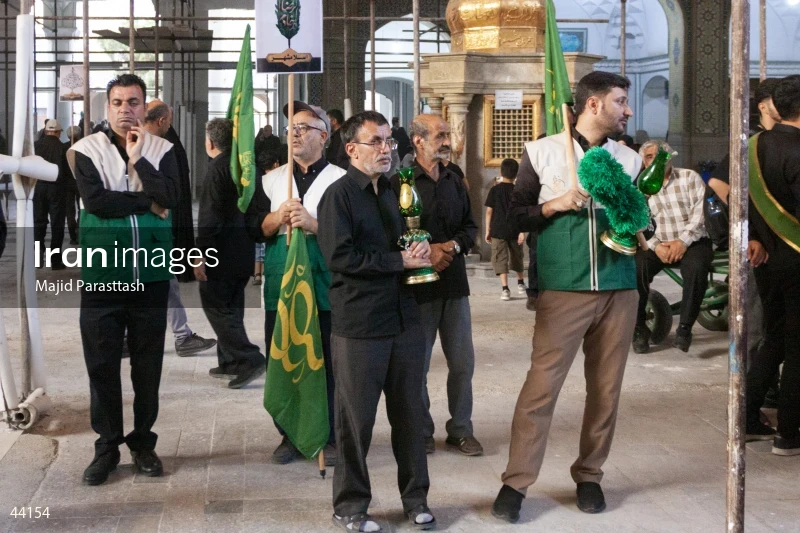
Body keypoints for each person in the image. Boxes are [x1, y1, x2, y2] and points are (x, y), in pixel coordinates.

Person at [493, 71, 643, 522]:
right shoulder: (541, 152)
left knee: (605, 389)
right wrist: (556, 203)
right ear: (593, 104)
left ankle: (590, 474)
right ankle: (516, 483)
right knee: (541, 389)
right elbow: (512, 217)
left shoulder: (629, 159)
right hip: (563, 286)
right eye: (620, 101)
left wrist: (638, 220)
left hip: (619, 286)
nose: (628, 110)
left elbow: (643, 220)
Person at [318, 111, 436, 532]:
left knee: (410, 415)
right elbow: (341, 258)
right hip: (360, 324)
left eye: (389, 141)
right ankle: (350, 506)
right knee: (356, 422)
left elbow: (404, 240)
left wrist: (416, 250)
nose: (387, 149)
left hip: (404, 319)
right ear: (351, 149)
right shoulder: (338, 196)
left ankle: (416, 499)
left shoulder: (394, 191)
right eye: (376, 142)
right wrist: (397, 260)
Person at [66, 73, 179, 485]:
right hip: (103, 278)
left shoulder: (162, 149)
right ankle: (107, 446)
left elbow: (171, 197)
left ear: (144, 106)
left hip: (149, 276)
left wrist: (140, 161)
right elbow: (96, 202)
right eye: (117, 102)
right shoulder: (83, 150)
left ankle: (144, 442)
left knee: (148, 367)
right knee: (102, 364)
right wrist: (146, 202)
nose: (125, 109)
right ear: (106, 106)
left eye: (133, 102)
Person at [246, 102, 345, 465]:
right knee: (285, 357)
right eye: (292, 128)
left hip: (325, 286)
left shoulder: (342, 180)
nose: (296, 133)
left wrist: (316, 224)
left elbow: (353, 233)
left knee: (329, 363)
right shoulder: (273, 180)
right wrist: (276, 218)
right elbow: (255, 226)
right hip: (282, 284)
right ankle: (288, 433)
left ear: (324, 134)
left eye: (305, 126)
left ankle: (328, 435)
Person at [390, 114, 482, 457]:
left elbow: (469, 227)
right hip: (417, 287)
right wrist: (426, 253)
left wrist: (450, 248)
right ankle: (422, 431)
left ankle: (460, 429)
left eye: (447, 134)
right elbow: (392, 232)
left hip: (454, 283)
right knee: (418, 364)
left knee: (462, 363)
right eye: (440, 135)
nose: (446, 140)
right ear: (417, 140)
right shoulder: (397, 181)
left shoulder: (455, 178)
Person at [744, 75, 800, 454]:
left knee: (775, 338)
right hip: (797, 259)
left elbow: (739, 197)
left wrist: (755, 236)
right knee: (797, 346)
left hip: (767, 260)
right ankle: (790, 433)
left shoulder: (753, 145)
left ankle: (746, 416)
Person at [195, 118, 266, 389]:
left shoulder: (217, 169)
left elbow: (209, 216)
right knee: (232, 307)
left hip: (220, 250)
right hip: (243, 249)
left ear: (210, 142)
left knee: (215, 305)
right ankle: (229, 362)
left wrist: (200, 253)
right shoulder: (245, 167)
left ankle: (248, 358)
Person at [143, 100, 216, 357]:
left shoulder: (138, 145)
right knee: (162, 282)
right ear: (162, 120)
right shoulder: (152, 147)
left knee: (160, 282)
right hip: (147, 230)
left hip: (145, 230)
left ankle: (175, 336)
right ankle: (181, 337)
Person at [632, 141, 712, 354]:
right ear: (643, 161)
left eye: (660, 156)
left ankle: (684, 329)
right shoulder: (641, 186)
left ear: (669, 158)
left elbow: (701, 214)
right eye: (649, 157)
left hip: (692, 241)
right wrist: (655, 246)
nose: (655, 161)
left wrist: (682, 242)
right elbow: (638, 222)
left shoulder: (689, 177)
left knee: (696, 268)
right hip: (658, 244)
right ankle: (639, 328)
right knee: (636, 267)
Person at [485, 158, 527, 300]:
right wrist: (522, 231)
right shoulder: (519, 191)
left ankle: (505, 289)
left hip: (498, 229)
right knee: (517, 256)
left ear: (501, 172)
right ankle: (521, 284)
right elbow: (522, 213)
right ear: (517, 174)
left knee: (500, 258)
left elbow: (489, 212)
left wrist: (487, 230)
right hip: (515, 229)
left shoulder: (494, 190)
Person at [33, 119, 68, 270]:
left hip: (38, 187)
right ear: (59, 133)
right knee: (57, 224)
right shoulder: (63, 148)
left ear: (46, 131)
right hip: (57, 189)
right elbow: (67, 172)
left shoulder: (35, 146)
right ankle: (55, 261)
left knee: (39, 222)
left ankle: (38, 257)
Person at [252, 151, 280, 287]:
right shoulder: (278, 181)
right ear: (276, 164)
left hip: (260, 217)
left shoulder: (258, 181)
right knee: (267, 248)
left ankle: (257, 273)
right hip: (272, 218)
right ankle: (265, 272)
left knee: (258, 247)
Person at [64, 125, 83, 245]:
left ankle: (72, 236)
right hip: (80, 183)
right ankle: (80, 232)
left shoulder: (64, 148)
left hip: (67, 184)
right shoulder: (84, 147)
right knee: (82, 208)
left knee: (69, 211)